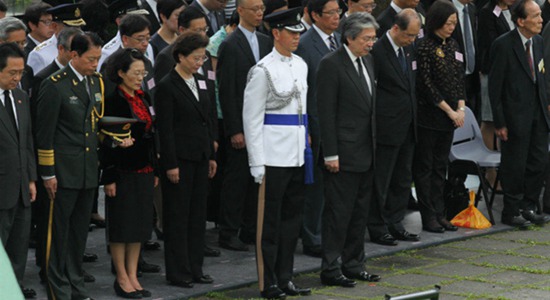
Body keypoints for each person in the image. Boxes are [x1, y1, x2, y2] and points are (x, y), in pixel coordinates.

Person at [243, 7, 311, 300]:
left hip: (296, 154)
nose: (296, 37)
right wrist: (257, 161)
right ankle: (267, 281)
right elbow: (252, 118)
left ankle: (285, 278)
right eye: (291, 32)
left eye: (298, 33)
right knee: (268, 225)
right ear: (276, 33)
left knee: (291, 222)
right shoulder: (262, 70)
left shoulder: (301, 65)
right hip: (273, 156)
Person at [35, 32, 104, 300]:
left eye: (98, 59)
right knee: (57, 233)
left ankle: (76, 283)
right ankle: (58, 289)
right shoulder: (54, 85)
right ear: (73, 55)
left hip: (87, 169)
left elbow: (94, 124)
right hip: (62, 172)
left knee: (78, 234)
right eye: (90, 59)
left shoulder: (95, 82)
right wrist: (48, 173)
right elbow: (45, 133)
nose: (95, 64)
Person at [317, 12, 381, 288]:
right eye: (367, 39)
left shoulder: (368, 61)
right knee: (338, 214)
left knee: (359, 213)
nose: (371, 43)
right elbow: (326, 113)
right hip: (342, 153)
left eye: (373, 38)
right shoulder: (331, 64)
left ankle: (354, 264)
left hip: (367, 151)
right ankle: (331, 268)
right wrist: (330, 153)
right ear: (350, 37)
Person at [155, 31, 217, 288]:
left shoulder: (201, 80)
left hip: (201, 156)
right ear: (180, 56)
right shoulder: (167, 85)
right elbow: (165, 129)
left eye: (202, 58)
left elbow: (208, 117)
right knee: (178, 217)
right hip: (179, 158)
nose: (199, 63)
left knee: (196, 216)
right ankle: (178, 271)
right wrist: (170, 164)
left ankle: (196, 267)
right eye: (195, 58)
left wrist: (212, 155)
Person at [216, 0, 272, 252]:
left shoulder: (265, 41)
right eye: (254, 9)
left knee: (257, 179)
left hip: (263, 122)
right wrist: (235, 129)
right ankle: (228, 231)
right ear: (240, 11)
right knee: (236, 179)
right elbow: (227, 91)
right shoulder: (230, 44)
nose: (259, 13)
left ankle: (251, 228)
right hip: (241, 121)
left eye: (261, 8)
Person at [102, 48, 158, 299]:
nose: (140, 77)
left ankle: (133, 274)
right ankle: (121, 276)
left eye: (142, 72)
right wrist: (110, 176)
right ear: (121, 73)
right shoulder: (114, 99)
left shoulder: (143, 96)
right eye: (135, 73)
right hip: (122, 169)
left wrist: (154, 167)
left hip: (144, 168)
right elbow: (106, 141)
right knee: (121, 226)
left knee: (139, 226)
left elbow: (151, 133)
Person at [489, 0, 550, 228]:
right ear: (521, 21)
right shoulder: (503, 45)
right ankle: (511, 210)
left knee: (538, 161)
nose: (540, 20)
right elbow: (494, 88)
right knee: (515, 164)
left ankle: (529, 206)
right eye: (535, 16)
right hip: (515, 116)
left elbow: (541, 76)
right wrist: (500, 122)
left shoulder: (540, 41)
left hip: (539, 113)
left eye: (540, 15)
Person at [367, 9, 421, 247]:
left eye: (414, 36)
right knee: (383, 179)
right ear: (396, 28)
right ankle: (377, 226)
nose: (411, 40)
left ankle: (396, 222)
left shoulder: (408, 49)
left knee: (402, 178)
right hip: (387, 125)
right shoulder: (377, 51)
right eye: (409, 35)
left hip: (408, 124)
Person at [413, 0, 464, 233]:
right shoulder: (424, 46)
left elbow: (457, 79)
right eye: (448, 23)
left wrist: (460, 108)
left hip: (450, 117)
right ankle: (428, 215)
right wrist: (449, 109)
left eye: (454, 23)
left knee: (440, 167)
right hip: (430, 115)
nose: (451, 27)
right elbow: (426, 84)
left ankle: (440, 212)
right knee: (426, 166)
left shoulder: (452, 44)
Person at [294, 0, 340, 258]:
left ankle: (329, 233)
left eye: (338, 12)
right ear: (314, 15)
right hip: (315, 122)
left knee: (334, 186)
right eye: (331, 13)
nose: (336, 17)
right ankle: (312, 237)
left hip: (339, 122)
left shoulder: (341, 38)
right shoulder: (303, 43)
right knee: (315, 187)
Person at [0, 43, 37, 299]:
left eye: (21, 72)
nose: (17, 78)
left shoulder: (21, 97)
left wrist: (32, 178)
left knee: (19, 243)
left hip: (23, 184)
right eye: (11, 73)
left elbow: (28, 141)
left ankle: (14, 287)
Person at [477, 0, 515, 154]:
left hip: (511, 72)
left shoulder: (513, 10)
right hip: (492, 71)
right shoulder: (487, 12)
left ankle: (501, 162)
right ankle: (489, 168)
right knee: (489, 119)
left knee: (503, 118)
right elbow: (491, 44)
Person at [27, 3, 86, 75]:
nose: (77, 32)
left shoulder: (87, 46)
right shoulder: (39, 55)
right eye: (71, 28)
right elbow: (39, 83)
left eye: (79, 27)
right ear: (54, 26)